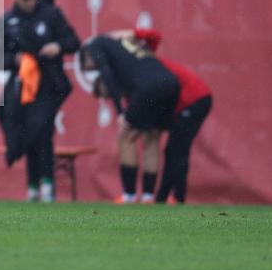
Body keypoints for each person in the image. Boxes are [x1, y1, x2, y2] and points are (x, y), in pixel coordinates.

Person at [0, 0, 80, 202]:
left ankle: (47, 186)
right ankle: (32, 186)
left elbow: (73, 41)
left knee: (42, 130)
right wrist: (15, 59)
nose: (29, 3)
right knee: (19, 125)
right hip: (21, 85)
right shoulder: (7, 21)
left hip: (49, 84)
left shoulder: (51, 14)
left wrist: (57, 46)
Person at [109, 29, 212, 204]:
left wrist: (130, 33)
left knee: (178, 149)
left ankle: (178, 197)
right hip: (183, 104)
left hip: (194, 99)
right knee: (171, 149)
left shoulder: (147, 63)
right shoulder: (135, 71)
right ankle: (162, 198)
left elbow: (154, 36)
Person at [80, 34, 180, 202]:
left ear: (87, 56)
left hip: (148, 86)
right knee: (152, 139)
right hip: (170, 83)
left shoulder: (96, 45)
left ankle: (129, 195)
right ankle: (148, 196)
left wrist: (120, 112)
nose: (90, 70)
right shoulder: (122, 47)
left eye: (87, 66)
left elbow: (107, 76)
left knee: (126, 137)